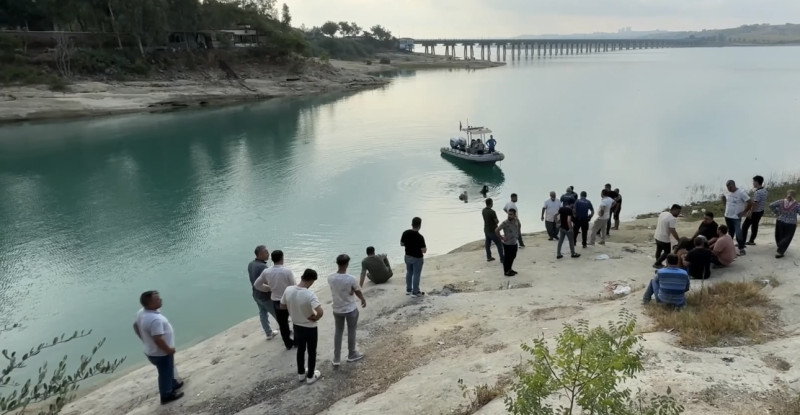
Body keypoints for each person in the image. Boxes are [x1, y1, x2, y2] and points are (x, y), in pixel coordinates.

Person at [134, 291, 184, 405]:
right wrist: (168, 350)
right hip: (161, 353)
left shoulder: (142, 313)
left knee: (168, 369)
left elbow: (135, 326)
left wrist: (144, 339)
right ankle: (166, 395)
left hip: (151, 350)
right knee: (164, 373)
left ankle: (173, 384)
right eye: (157, 299)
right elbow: (158, 339)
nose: (161, 300)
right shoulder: (154, 320)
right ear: (150, 304)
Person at [281, 269, 323, 385]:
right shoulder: (309, 294)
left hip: (296, 325)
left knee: (300, 350)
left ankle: (301, 374)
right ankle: (310, 376)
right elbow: (320, 311)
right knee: (311, 351)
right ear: (311, 280)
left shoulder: (288, 289)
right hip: (309, 327)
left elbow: (282, 306)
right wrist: (315, 317)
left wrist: (294, 311)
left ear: (302, 276)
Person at [328, 255, 366, 366]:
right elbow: (357, 290)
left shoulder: (330, 278)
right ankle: (352, 354)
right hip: (350, 308)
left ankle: (336, 358)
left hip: (337, 309)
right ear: (347, 264)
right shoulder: (351, 278)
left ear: (337, 263)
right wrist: (362, 299)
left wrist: (351, 290)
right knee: (351, 331)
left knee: (338, 332)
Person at [258, 250, 296, 350]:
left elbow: (257, 285)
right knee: (295, 320)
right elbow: (293, 286)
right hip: (288, 300)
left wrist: (269, 288)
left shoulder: (266, 271)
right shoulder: (287, 271)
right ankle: (297, 341)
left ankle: (288, 343)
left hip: (276, 301)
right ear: (282, 258)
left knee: (283, 324)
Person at [248, 245, 278, 340]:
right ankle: (286, 330)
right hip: (265, 296)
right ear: (260, 254)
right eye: (266, 252)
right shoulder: (263, 267)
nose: (268, 254)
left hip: (256, 295)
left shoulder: (251, 264)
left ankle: (268, 333)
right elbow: (267, 282)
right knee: (276, 313)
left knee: (262, 313)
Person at [722, 179, 753, 256]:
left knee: (738, 233)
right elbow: (723, 197)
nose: (729, 189)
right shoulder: (727, 192)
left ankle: (741, 248)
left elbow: (750, 202)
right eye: (728, 188)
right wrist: (725, 206)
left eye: (731, 187)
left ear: (734, 185)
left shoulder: (741, 192)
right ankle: (728, 247)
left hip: (736, 217)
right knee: (730, 232)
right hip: (727, 216)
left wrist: (744, 212)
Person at [769, 190, 800, 258]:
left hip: (780, 220)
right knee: (787, 237)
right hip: (791, 223)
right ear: (794, 196)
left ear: (787, 194)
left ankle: (780, 246)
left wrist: (777, 212)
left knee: (779, 235)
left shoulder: (781, 201)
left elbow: (771, 205)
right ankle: (780, 251)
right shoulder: (797, 204)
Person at [401, 217, 426, 298]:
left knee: (409, 272)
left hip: (407, 256)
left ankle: (408, 290)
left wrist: (409, 244)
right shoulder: (420, 237)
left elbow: (402, 244)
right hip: (417, 258)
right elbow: (424, 250)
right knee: (416, 274)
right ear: (420, 225)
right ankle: (415, 291)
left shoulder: (405, 233)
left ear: (412, 224)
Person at [652, 204, 681, 269]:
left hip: (657, 235)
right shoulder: (672, 219)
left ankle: (658, 262)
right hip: (664, 238)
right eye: (678, 212)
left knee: (659, 250)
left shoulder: (663, 213)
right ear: (674, 210)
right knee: (667, 252)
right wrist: (678, 239)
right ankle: (657, 263)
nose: (678, 214)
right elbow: (672, 230)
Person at [743, 175, 768, 246]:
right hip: (760, 211)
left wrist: (750, 212)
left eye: (753, 182)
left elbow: (755, 204)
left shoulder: (758, 192)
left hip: (755, 212)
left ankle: (742, 242)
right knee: (755, 226)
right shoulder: (765, 191)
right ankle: (751, 241)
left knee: (745, 227)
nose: (753, 183)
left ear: (757, 182)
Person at [496, 208, 521, 277]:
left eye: (511, 214)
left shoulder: (516, 220)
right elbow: (497, 230)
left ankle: (510, 269)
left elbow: (519, 225)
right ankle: (506, 271)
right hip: (507, 244)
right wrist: (502, 238)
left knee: (513, 256)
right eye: (508, 214)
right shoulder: (505, 223)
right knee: (507, 258)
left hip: (514, 242)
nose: (509, 216)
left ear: (514, 215)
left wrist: (518, 233)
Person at [482, 198, 505, 263]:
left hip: (486, 229)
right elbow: (496, 221)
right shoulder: (492, 212)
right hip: (493, 230)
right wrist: (497, 222)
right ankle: (502, 259)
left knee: (487, 243)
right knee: (499, 243)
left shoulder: (483, 210)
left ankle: (489, 257)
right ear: (491, 203)